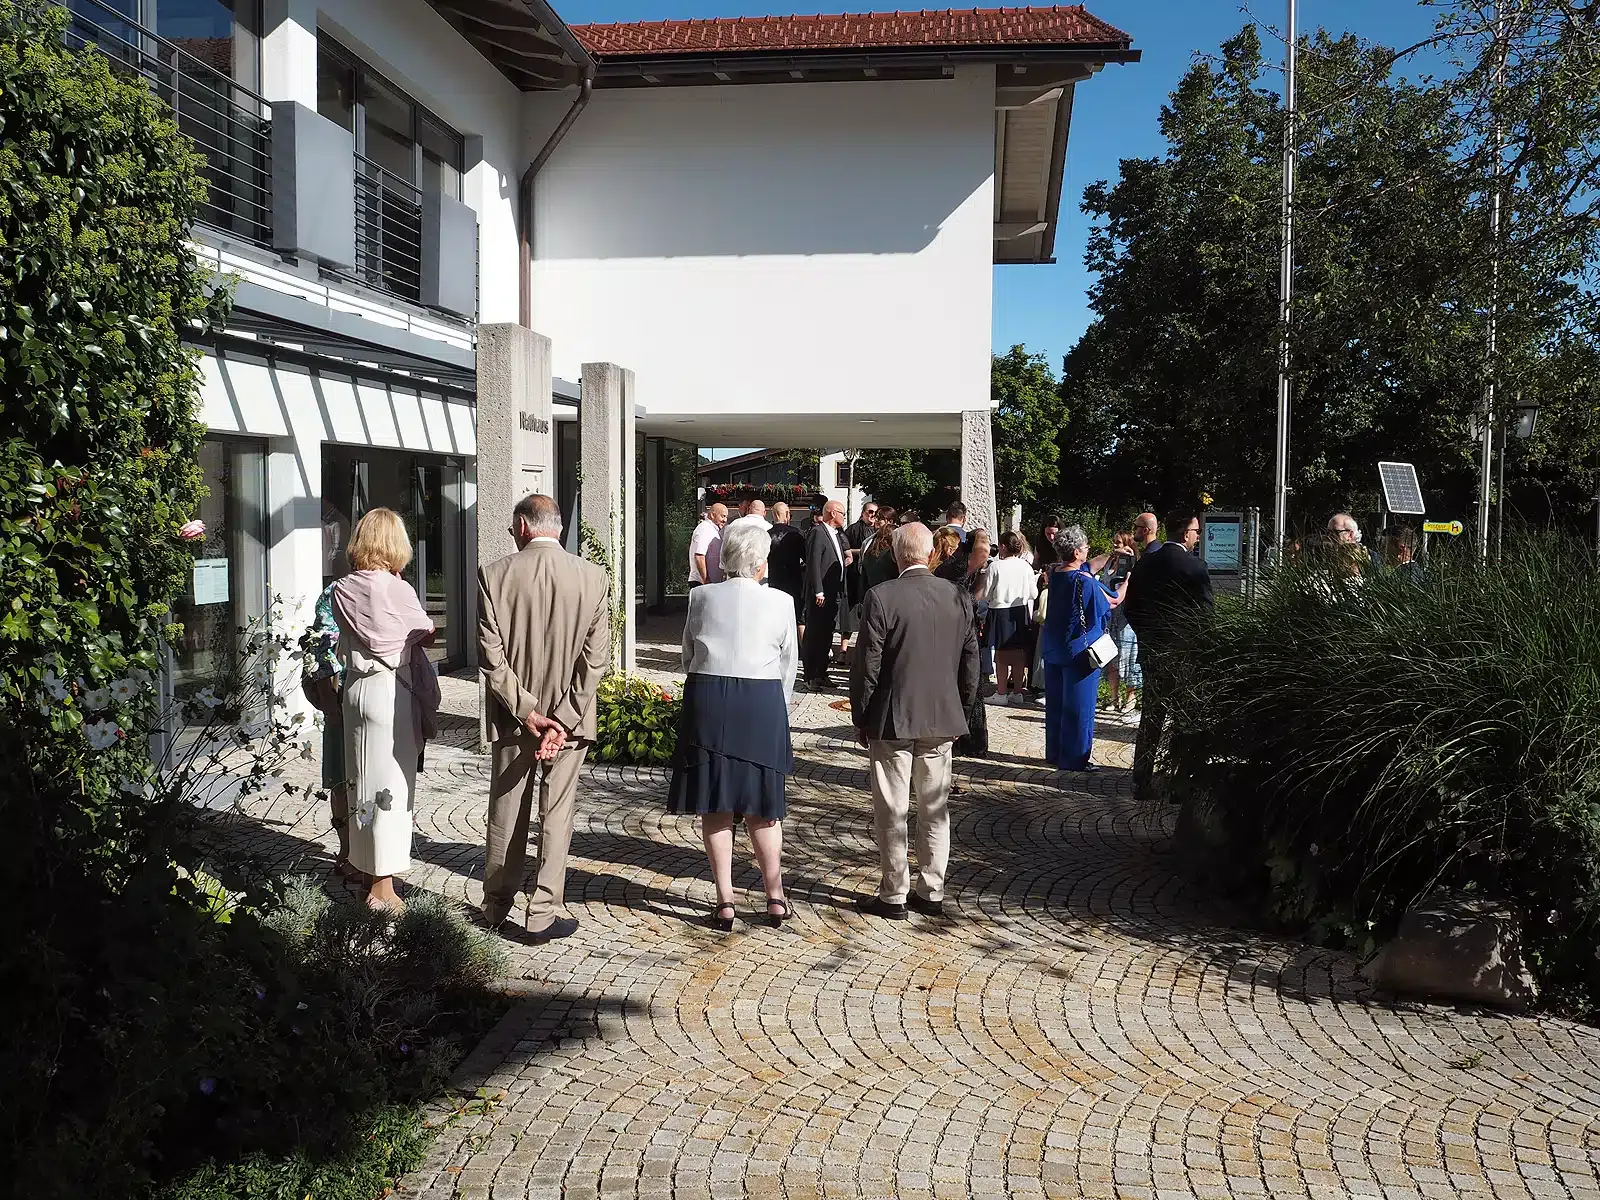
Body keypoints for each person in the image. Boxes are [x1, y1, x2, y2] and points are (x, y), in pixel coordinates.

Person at [478, 494, 611, 941]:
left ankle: (496, 906)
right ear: (558, 527)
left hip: (514, 719)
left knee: (507, 810)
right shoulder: (592, 577)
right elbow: (595, 661)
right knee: (557, 813)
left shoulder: (494, 575)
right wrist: (565, 718)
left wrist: (527, 711)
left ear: (522, 525)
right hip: (569, 721)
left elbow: (491, 657)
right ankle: (543, 913)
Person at [670, 520, 798, 931]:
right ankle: (775, 897)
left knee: (716, 805)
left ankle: (725, 901)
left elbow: (687, 655)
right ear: (762, 564)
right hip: (761, 701)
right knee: (764, 808)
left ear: (724, 559)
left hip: (709, 698)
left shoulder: (701, 596)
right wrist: (778, 707)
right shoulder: (781, 601)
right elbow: (788, 665)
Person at [850, 522, 979, 920]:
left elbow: (867, 665)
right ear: (931, 553)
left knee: (892, 808)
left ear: (895, 554)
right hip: (942, 716)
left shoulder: (881, 596)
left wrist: (861, 716)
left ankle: (894, 894)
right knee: (934, 807)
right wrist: (962, 712)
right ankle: (932, 890)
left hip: (893, 717)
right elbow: (971, 662)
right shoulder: (957, 595)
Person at [330, 508, 441, 912]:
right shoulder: (398, 589)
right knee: (391, 786)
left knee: (359, 782)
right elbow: (425, 633)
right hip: (391, 689)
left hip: (355, 689)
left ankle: (364, 869)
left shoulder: (341, 588)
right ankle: (383, 889)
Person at [1123, 507, 1212, 803]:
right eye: (1196, 531)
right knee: (1184, 720)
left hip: (1153, 651)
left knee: (1152, 717)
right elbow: (1206, 616)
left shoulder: (1146, 563)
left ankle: (1142, 780)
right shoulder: (1195, 567)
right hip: (1185, 655)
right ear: (1185, 533)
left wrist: (1147, 636)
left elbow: (1130, 608)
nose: (1197, 536)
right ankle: (1179, 784)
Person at [1038, 525, 1111, 773]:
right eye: (1086, 548)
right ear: (1077, 552)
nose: (1088, 551)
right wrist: (1127, 584)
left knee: (1056, 705)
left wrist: (1111, 555)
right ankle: (1075, 759)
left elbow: (1088, 566)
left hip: (1054, 648)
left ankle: (1055, 753)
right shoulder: (1084, 581)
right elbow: (1109, 604)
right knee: (1080, 708)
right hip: (1080, 652)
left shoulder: (1054, 572)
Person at [300, 583, 352, 877]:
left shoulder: (395, 586)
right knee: (341, 778)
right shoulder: (337, 592)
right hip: (342, 698)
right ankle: (348, 851)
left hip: (377, 699)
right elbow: (320, 645)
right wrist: (330, 704)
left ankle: (367, 853)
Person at [801, 499, 851, 688]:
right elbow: (813, 562)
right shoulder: (818, 532)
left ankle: (821, 672)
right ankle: (810, 675)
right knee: (814, 634)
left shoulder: (836, 534)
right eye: (842, 513)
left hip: (834, 592)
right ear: (832, 513)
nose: (844, 517)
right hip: (820, 594)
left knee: (827, 635)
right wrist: (818, 590)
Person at [986, 531, 1036, 703]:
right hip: (1020, 610)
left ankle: (1001, 692)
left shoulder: (995, 566)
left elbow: (986, 593)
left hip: (1000, 611)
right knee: (1018, 652)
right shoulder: (1026, 567)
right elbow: (1033, 594)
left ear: (1002, 546)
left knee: (1001, 653)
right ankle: (1017, 692)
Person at [1093, 532, 1137, 710]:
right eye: (1114, 542)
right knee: (1110, 656)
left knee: (1127, 656)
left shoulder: (1132, 564)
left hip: (1125, 615)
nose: (1115, 546)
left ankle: (1131, 697)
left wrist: (1131, 561)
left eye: (1118, 543)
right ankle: (1113, 697)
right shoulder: (1109, 562)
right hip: (1109, 615)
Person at [767, 501, 806, 621]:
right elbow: (806, 556)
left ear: (773, 515)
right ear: (788, 514)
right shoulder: (796, 533)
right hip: (793, 580)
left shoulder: (767, 534)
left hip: (774, 579)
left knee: (776, 615)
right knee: (795, 616)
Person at [858, 506, 900, 595]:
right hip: (872, 589)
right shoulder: (868, 542)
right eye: (876, 517)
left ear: (890, 521)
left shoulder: (899, 539)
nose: (876, 520)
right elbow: (861, 566)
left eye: (880, 518)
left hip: (893, 589)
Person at [688, 503, 728, 588]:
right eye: (723, 516)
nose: (725, 520)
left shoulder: (712, 530)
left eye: (726, 517)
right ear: (713, 515)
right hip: (701, 583)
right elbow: (699, 556)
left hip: (710, 584)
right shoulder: (705, 529)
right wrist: (706, 581)